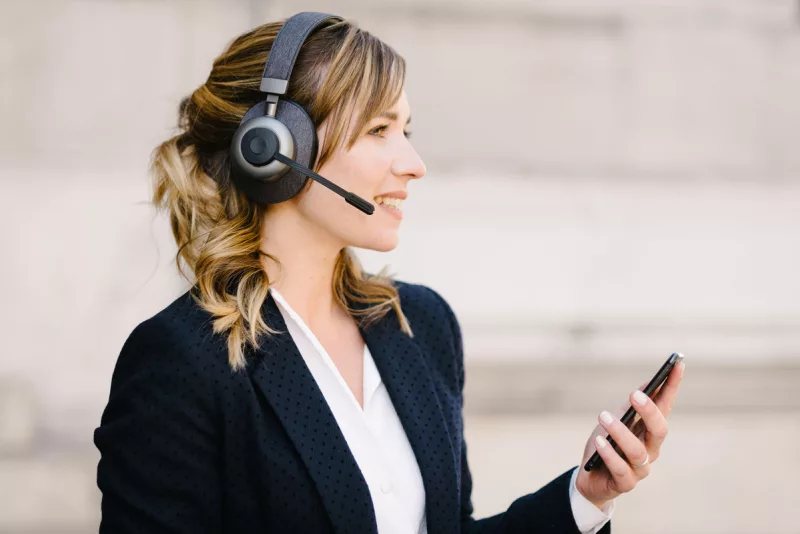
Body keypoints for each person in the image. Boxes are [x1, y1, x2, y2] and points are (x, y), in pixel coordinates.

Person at [93, 12, 685, 534]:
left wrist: (584, 498)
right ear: (273, 150)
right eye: (380, 131)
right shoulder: (181, 362)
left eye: (407, 131)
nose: (414, 164)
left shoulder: (419, 325)